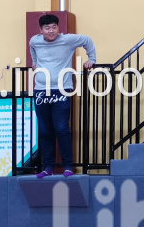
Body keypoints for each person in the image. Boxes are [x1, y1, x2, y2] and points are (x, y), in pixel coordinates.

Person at [29, 14, 96, 178]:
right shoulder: (34, 41)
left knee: (61, 128)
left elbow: (87, 40)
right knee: (44, 130)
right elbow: (33, 50)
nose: (51, 31)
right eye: (47, 28)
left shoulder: (68, 40)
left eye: (54, 27)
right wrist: (35, 62)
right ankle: (48, 168)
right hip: (41, 91)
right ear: (41, 30)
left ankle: (68, 166)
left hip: (62, 90)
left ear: (58, 28)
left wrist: (91, 59)